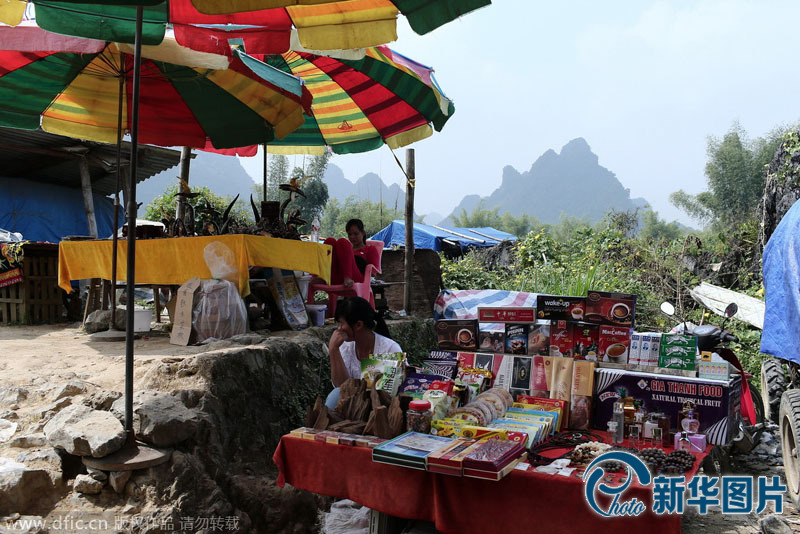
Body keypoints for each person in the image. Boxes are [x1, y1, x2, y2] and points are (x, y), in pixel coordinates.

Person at [325, 296, 402, 410]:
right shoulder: (345, 347)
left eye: (341, 323)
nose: (339, 329)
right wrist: (333, 350)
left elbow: (392, 393)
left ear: (359, 325)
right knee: (335, 395)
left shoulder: (390, 348)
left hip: (382, 409)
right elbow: (341, 387)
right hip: (353, 406)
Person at [323, 219, 380, 288]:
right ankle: (322, 277)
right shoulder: (345, 249)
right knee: (330, 241)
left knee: (342, 241)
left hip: (357, 279)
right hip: (338, 276)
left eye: (356, 234)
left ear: (363, 232)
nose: (352, 237)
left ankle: (347, 277)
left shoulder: (370, 249)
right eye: (349, 234)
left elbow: (374, 273)